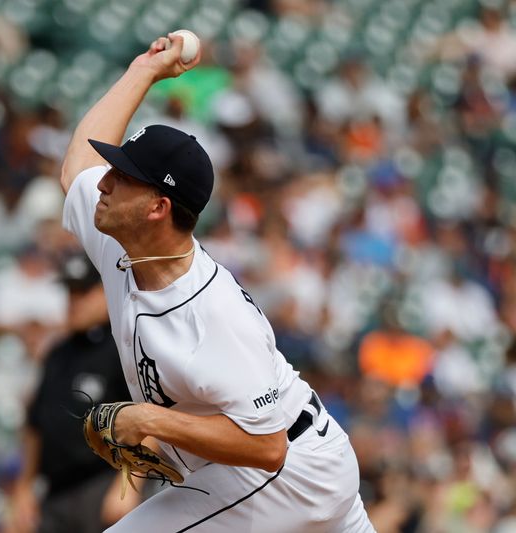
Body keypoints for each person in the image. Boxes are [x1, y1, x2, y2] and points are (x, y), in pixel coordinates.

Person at [57, 33, 376, 532]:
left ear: (157, 208)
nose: (103, 182)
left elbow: (267, 447)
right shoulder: (122, 243)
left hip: (290, 474)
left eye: (121, 176)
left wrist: (148, 421)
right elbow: (77, 165)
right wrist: (144, 71)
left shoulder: (212, 314)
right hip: (284, 465)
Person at [10, 252, 139, 533]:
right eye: (70, 291)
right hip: (55, 491)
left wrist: (130, 484)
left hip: (102, 482)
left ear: (106, 292)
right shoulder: (58, 353)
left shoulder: (124, 348)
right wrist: (23, 489)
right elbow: (36, 425)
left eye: (82, 292)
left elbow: (149, 422)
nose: (73, 301)